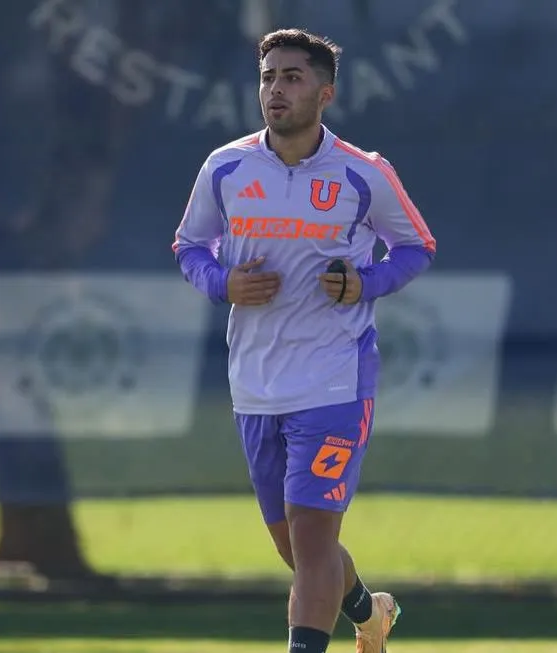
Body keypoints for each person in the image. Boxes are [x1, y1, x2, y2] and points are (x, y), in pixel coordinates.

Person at [172, 28, 436, 653]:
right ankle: (369, 613)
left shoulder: (362, 173)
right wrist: (222, 283)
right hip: (256, 383)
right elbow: (189, 247)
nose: (275, 90)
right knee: (296, 548)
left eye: (291, 77)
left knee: (315, 539)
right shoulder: (226, 167)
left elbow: (416, 246)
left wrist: (363, 284)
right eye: (267, 77)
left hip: (335, 380)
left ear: (326, 93)